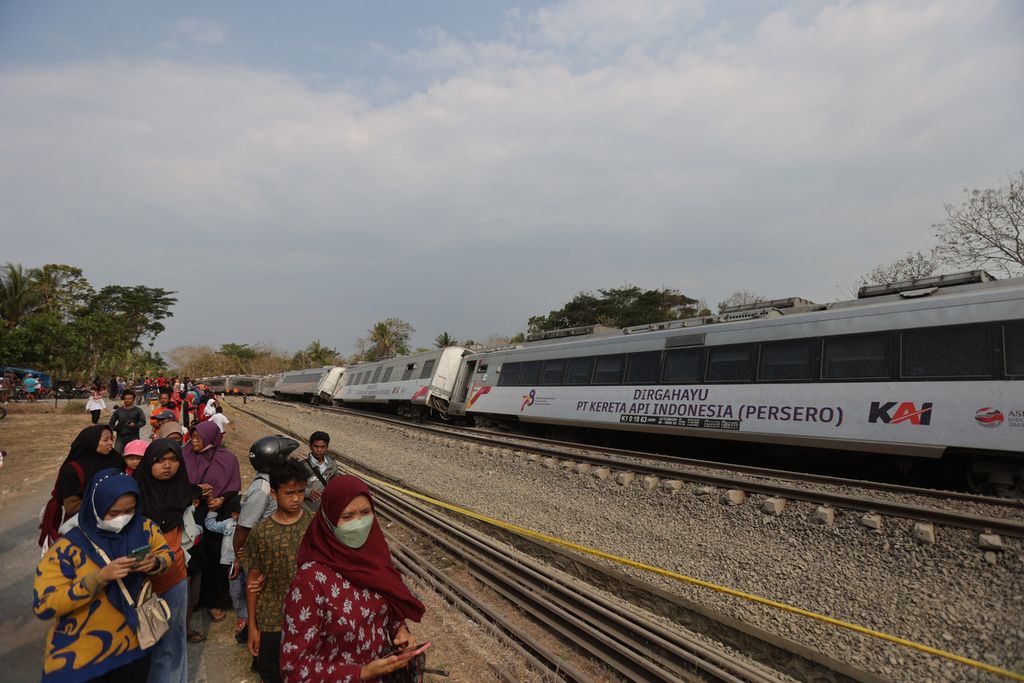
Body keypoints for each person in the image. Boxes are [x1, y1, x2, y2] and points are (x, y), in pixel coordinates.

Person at [279, 475, 424, 682]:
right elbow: (294, 669)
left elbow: (386, 608)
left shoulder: (374, 557)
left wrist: (400, 630)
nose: (359, 524)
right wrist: (363, 673)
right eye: (347, 517)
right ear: (328, 521)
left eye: (366, 513)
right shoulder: (310, 581)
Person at [33, 468, 173, 682]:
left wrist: (155, 562)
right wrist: (97, 579)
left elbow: (166, 554)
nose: (123, 519)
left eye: (130, 510)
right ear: (95, 508)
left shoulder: (144, 528)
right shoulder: (67, 549)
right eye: (114, 513)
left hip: (135, 647)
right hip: (81, 658)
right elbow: (44, 605)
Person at [245, 460, 314, 683]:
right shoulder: (261, 532)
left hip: (308, 615)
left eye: (301, 492)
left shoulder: (313, 525)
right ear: (274, 494)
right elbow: (253, 580)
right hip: (272, 616)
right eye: (289, 493)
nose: (296, 499)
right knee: (271, 670)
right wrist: (253, 627)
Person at [133, 439, 192, 683]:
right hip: (142, 580)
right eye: (160, 460)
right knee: (146, 641)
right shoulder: (133, 494)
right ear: (149, 463)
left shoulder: (184, 491)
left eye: (173, 459)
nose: (167, 466)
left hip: (175, 575)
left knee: (174, 638)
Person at [181, 421, 241, 625]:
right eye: (193, 436)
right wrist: (196, 489)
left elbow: (233, 485)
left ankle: (215, 601)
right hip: (192, 513)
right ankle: (194, 601)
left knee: (217, 558)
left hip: (218, 513)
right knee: (196, 557)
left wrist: (221, 499)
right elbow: (177, 483)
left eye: (198, 437)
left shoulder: (228, 458)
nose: (194, 441)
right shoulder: (184, 455)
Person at [55, 425, 124, 517]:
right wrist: (109, 502)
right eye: (105, 440)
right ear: (92, 442)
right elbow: (71, 507)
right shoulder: (71, 470)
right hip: (85, 521)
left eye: (111, 439)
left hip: (120, 516)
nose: (111, 442)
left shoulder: (116, 459)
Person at [204, 494, 247, 640]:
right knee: (235, 591)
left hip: (248, 564)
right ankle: (243, 617)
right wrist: (212, 511)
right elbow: (210, 525)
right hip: (230, 565)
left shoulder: (254, 525)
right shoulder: (228, 524)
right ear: (234, 515)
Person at [303, 431, 338, 507]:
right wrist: (308, 493)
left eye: (323, 447)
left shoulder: (332, 465)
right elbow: (291, 487)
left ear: (327, 447)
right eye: (316, 446)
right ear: (310, 446)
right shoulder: (301, 465)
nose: (319, 450)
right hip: (306, 508)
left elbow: (336, 485)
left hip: (324, 508)